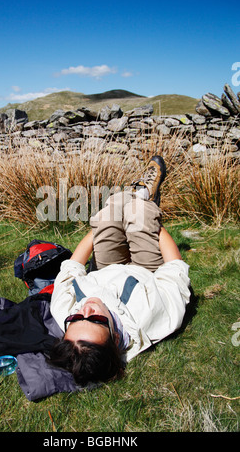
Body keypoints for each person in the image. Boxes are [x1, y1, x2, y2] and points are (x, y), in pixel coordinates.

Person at [48, 156, 191, 386]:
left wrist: (100, 229)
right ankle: (145, 198)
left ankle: (135, 195)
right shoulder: (152, 319)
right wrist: (154, 226)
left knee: (110, 210)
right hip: (147, 271)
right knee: (139, 214)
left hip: (106, 268)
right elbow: (175, 272)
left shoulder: (63, 310)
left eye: (76, 318)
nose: (87, 308)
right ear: (115, 337)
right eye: (94, 319)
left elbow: (71, 267)